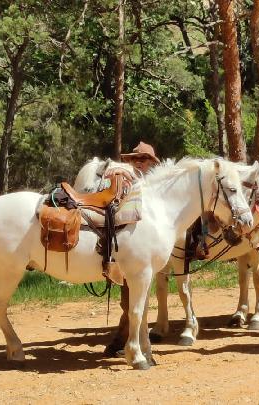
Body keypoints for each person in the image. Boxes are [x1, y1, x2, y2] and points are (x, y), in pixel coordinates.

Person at [104, 141, 160, 357]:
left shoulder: (153, 186)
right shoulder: (121, 178)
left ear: (150, 163)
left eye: (144, 159)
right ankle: (124, 340)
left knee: (133, 298)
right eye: (136, 158)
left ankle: (124, 340)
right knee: (129, 299)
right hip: (127, 246)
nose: (139, 162)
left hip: (146, 247)